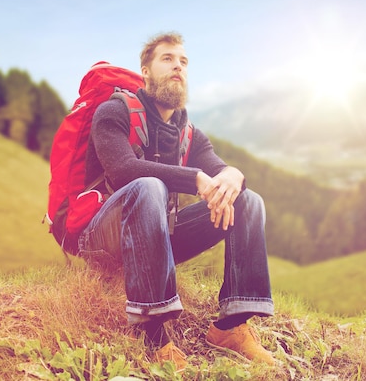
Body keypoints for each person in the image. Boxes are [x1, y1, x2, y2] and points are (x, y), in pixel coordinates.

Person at [77, 32, 275, 370]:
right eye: (167, 59)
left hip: (156, 239)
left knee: (248, 201)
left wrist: (232, 175)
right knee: (148, 186)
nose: (178, 67)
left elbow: (218, 171)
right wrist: (193, 178)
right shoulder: (114, 112)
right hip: (103, 236)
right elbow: (123, 170)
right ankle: (153, 333)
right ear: (146, 72)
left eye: (183, 62)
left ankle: (230, 327)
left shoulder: (189, 134)